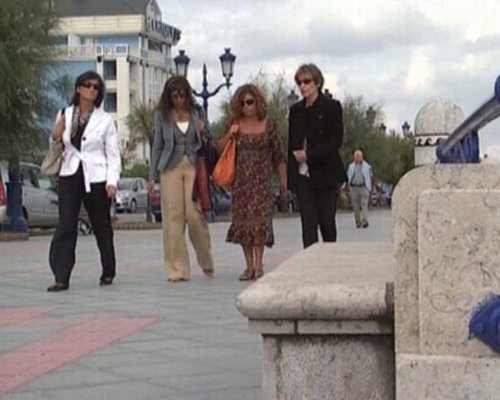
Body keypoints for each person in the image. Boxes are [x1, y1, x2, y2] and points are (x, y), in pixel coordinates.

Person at [47, 70, 121, 292]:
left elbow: (113, 154)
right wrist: (55, 135)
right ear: (78, 88)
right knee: (66, 224)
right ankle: (61, 276)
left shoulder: (105, 120)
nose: (91, 90)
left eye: (96, 87)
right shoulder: (65, 113)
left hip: (96, 176)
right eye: (87, 85)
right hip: (70, 173)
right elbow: (55, 146)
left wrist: (112, 182)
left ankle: (108, 270)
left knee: (101, 225)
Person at [218, 84, 287, 280]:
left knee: (260, 223)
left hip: (261, 183)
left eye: (250, 102)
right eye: (243, 103)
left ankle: (258, 265)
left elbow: (279, 156)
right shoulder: (235, 124)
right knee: (243, 225)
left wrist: (284, 182)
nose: (247, 107)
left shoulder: (269, 125)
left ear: (258, 102)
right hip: (241, 184)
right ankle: (248, 266)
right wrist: (230, 135)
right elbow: (220, 148)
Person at [148, 76, 214, 282]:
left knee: (194, 215)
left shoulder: (197, 112)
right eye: (175, 96)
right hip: (170, 167)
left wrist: (203, 130)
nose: (179, 100)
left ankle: (206, 260)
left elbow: (210, 137)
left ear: (187, 95)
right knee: (173, 218)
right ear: (169, 97)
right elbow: (158, 145)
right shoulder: (162, 115)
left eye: (182, 95)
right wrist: (152, 177)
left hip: (193, 164)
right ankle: (177, 269)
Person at [287, 63, 346, 248]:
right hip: (303, 176)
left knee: (327, 223)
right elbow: (291, 144)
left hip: (326, 174)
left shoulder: (331, 107)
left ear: (317, 83)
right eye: (299, 83)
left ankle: (329, 258)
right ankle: (310, 259)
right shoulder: (296, 111)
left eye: (307, 81)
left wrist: (309, 155)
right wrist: (291, 179)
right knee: (308, 225)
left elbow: (335, 141)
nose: (303, 86)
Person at [346, 149, 373, 228]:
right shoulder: (351, 166)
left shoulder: (367, 166)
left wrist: (370, 187)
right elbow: (348, 176)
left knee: (364, 204)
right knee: (356, 206)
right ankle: (358, 222)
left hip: (364, 187)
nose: (358, 158)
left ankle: (365, 221)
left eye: (359, 156)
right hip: (354, 187)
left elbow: (370, 176)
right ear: (354, 157)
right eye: (357, 156)